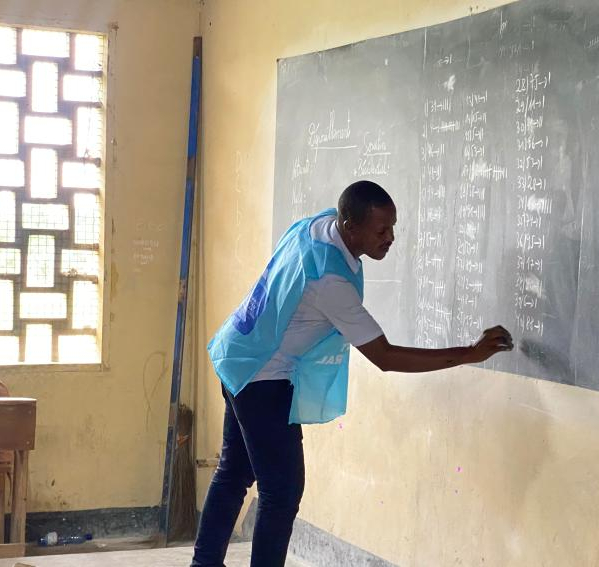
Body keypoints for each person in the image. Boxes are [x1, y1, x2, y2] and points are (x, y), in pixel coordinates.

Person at [192, 180, 513, 567]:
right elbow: (385, 356)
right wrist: (469, 354)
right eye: (381, 230)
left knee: (234, 473)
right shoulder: (330, 282)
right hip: (261, 376)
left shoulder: (319, 225)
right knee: (282, 492)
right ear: (349, 226)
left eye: (392, 227)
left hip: (238, 351)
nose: (390, 238)